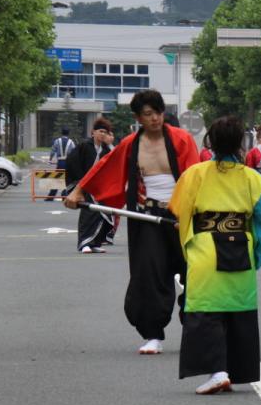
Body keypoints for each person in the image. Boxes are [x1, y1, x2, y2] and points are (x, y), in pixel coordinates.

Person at [63, 89, 200, 354]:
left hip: (182, 216)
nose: (155, 119)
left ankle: (195, 331)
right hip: (147, 217)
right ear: (138, 117)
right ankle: (153, 335)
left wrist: (189, 214)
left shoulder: (182, 139)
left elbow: (195, 179)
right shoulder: (131, 144)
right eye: (148, 114)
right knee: (149, 275)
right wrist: (79, 190)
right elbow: (105, 167)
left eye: (158, 112)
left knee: (195, 273)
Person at [168, 116, 261, 394]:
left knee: (207, 311)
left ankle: (217, 372)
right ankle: (231, 369)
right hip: (240, 248)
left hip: (206, 248)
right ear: (241, 143)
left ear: (210, 142)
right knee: (238, 311)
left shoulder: (194, 174)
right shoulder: (252, 179)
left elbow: (179, 210)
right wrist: (259, 251)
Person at [64, 117, 115, 254]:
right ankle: (84, 243)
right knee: (88, 213)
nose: (103, 134)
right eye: (100, 131)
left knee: (103, 214)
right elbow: (72, 163)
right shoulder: (84, 146)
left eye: (105, 132)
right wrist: (79, 185)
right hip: (84, 185)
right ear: (93, 132)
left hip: (99, 187)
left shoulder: (105, 149)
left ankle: (95, 242)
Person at [46, 129, 77, 200]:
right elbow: (74, 153)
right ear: (68, 133)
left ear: (61, 133)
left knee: (57, 178)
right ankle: (64, 194)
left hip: (60, 162)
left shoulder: (57, 141)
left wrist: (50, 159)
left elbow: (53, 151)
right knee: (67, 179)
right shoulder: (71, 142)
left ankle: (51, 196)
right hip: (68, 162)